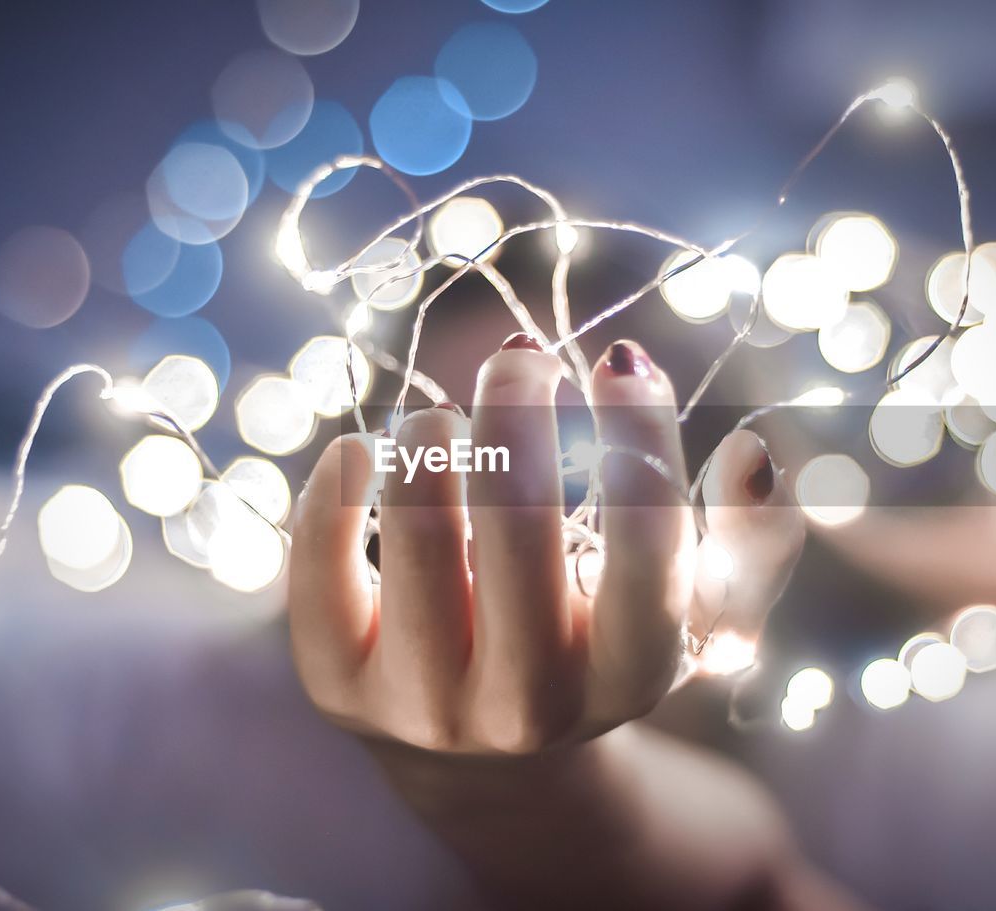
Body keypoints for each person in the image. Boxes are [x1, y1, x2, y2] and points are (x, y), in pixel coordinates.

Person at [288, 334, 866, 910]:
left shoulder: (885, 764)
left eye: (568, 459)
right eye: (446, 470)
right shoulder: (254, 767)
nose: (509, 506)